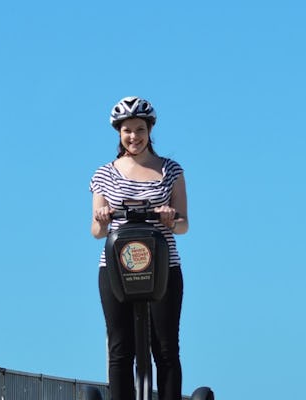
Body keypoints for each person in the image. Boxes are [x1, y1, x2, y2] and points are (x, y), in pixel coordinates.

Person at [90, 96, 189, 400]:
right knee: (120, 348)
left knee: (166, 347)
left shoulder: (170, 170)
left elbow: (185, 224)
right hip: (116, 268)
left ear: (150, 131)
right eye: (127, 130)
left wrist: (171, 218)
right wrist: (103, 218)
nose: (134, 137)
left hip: (163, 266)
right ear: (119, 134)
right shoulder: (103, 175)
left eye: (140, 129)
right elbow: (95, 231)